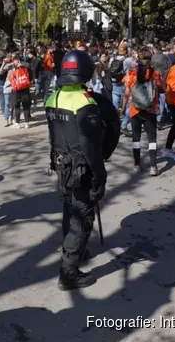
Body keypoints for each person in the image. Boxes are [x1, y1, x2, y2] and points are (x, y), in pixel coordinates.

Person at [45, 50, 120, 290]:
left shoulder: (53, 98)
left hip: (61, 163)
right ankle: (69, 272)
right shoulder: (86, 104)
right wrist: (101, 175)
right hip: (81, 168)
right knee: (82, 217)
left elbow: (53, 136)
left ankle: (76, 250)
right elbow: (91, 147)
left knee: (70, 207)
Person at [123, 49, 164, 176]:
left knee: (136, 138)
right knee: (152, 139)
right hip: (150, 110)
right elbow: (162, 89)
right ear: (150, 60)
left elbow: (126, 93)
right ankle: (153, 166)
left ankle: (137, 164)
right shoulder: (155, 74)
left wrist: (123, 108)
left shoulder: (131, 73)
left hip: (135, 109)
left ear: (138, 59)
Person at [8, 54, 33, 128]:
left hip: (17, 90)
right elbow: (30, 75)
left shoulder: (12, 68)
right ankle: (26, 123)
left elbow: (10, 78)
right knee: (26, 106)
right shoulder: (26, 66)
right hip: (25, 89)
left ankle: (17, 123)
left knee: (17, 106)